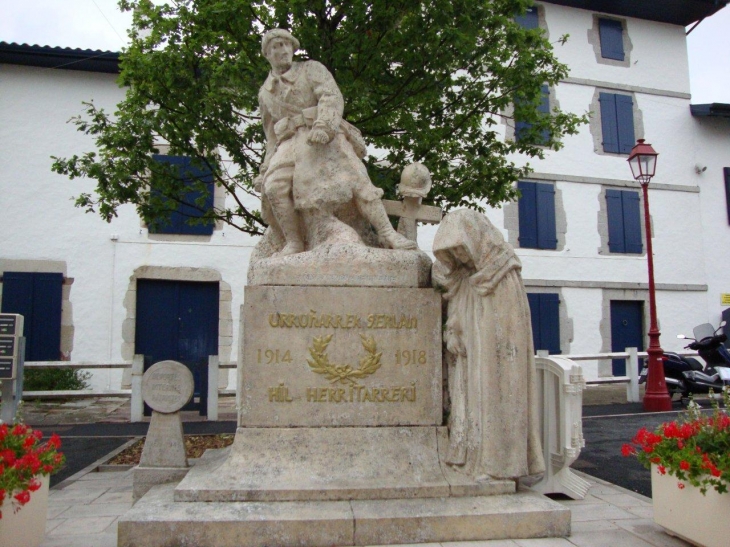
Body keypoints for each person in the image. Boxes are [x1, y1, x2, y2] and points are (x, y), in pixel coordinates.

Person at [255, 29, 416, 256]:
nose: (282, 51)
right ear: (267, 54)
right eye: (276, 46)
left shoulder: (311, 69)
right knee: (273, 187)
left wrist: (324, 126)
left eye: (286, 45)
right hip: (290, 144)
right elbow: (270, 134)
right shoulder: (265, 93)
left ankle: (387, 232)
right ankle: (294, 242)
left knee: (358, 180)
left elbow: (331, 96)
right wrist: (264, 170)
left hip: (322, 135)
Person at [432, 209, 545, 481]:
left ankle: (499, 464)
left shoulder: (502, 271)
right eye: (453, 253)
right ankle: (473, 457)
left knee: (495, 401)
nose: (460, 257)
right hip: (472, 356)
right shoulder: (463, 275)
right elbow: (455, 308)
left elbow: (507, 328)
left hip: (495, 360)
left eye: (461, 250)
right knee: (471, 402)